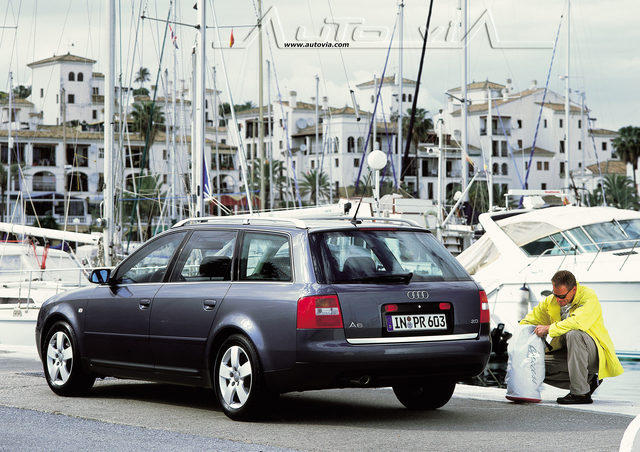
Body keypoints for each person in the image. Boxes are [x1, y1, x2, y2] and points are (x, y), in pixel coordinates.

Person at [520, 270, 623, 404]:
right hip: (569, 355)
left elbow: (577, 322)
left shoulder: (589, 297)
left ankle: (580, 394)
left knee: (574, 333)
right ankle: (589, 381)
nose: (558, 300)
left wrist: (549, 328)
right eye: (555, 295)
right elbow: (529, 320)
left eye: (562, 296)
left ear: (573, 289)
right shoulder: (551, 301)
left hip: (594, 355)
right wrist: (520, 333)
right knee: (531, 364)